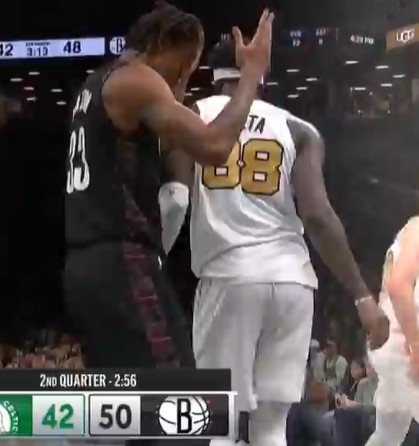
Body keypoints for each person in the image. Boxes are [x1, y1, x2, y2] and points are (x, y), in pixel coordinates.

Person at [161, 39, 389, 446]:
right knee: (271, 427)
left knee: (221, 424)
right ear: (260, 74)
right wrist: (362, 297)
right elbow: (318, 216)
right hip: (292, 282)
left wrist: (154, 259)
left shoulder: (191, 117)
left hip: (229, 277)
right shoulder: (298, 129)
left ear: (211, 75)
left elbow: (176, 199)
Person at [64, 1, 274, 371]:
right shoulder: (136, 79)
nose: (180, 82)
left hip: (84, 265)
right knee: (178, 392)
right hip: (122, 260)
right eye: (182, 68)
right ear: (162, 45)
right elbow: (215, 146)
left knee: (129, 398)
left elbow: (163, 141)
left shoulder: (96, 85)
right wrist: (251, 75)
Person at [366, 217, 419, 446]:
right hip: (406, 342)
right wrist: (415, 342)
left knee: (387, 435)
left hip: (394, 341)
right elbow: (398, 286)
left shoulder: (409, 230)